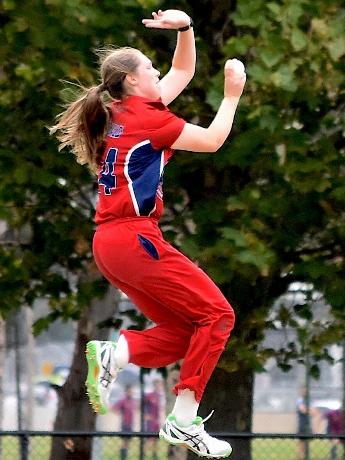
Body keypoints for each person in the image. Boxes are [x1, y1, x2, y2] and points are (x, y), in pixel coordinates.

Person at [50, 8, 246, 458]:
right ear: (135, 82)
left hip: (113, 244)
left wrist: (186, 28)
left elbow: (183, 68)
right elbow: (214, 140)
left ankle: (117, 354)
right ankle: (182, 419)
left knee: (186, 331)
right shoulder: (149, 121)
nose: (160, 73)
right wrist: (231, 95)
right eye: (150, 70)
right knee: (219, 316)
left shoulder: (123, 110)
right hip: (134, 238)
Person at [112, 385, 136, 460]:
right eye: (129, 391)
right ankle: (122, 457)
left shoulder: (132, 401)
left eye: (131, 391)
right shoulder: (123, 400)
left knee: (127, 443)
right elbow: (114, 408)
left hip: (130, 424)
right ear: (126, 392)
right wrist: (119, 413)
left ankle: (125, 455)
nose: (131, 393)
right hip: (125, 424)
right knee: (124, 442)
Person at [144, 379, 164, 459]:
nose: (159, 387)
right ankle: (144, 454)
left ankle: (154, 456)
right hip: (151, 421)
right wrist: (146, 414)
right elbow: (142, 405)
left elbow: (161, 409)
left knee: (156, 440)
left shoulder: (160, 396)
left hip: (157, 421)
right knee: (149, 439)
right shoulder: (149, 395)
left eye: (160, 385)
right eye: (157, 385)